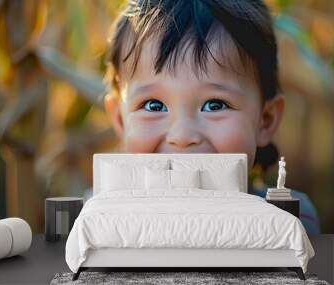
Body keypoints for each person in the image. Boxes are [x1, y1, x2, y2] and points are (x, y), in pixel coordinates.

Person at [99, 0, 320, 234]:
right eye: (153, 105)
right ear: (121, 121)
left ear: (265, 120)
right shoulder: (106, 221)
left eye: (215, 105)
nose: (182, 136)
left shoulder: (289, 218)